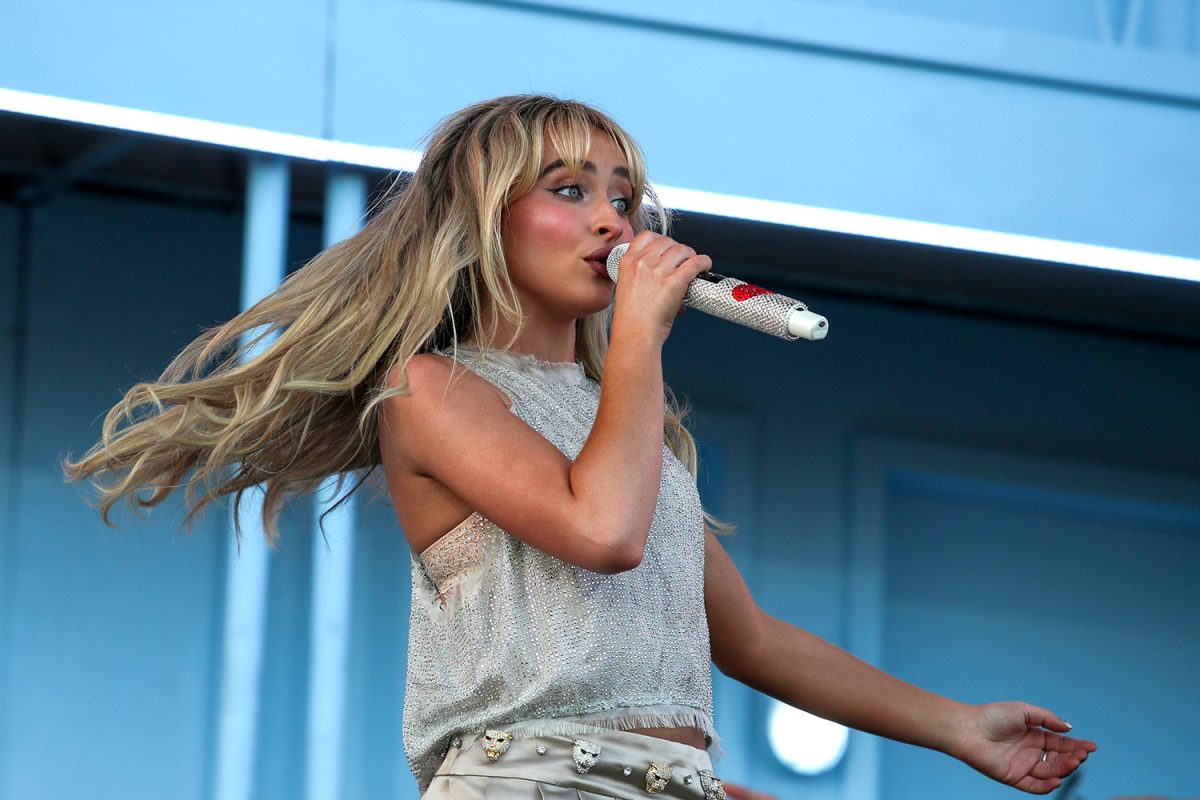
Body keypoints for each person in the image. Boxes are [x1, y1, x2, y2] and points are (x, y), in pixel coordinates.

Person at [64, 95, 1096, 800]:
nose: (610, 215)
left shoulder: (626, 422)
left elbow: (752, 639)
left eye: (623, 193)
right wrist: (641, 336)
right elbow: (599, 530)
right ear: (483, 224)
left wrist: (960, 725)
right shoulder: (430, 387)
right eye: (568, 189)